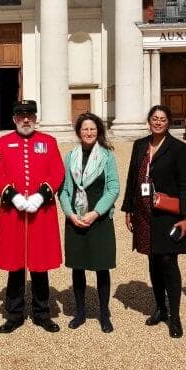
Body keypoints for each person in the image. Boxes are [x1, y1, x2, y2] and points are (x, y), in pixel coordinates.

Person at [0, 99, 65, 334]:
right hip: (14, 213)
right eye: (21, 115)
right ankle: (14, 314)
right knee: (15, 266)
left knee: (40, 266)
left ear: (35, 118)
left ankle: (42, 313)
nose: (25, 119)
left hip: (40, 213)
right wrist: (12, 195)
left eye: (29, 115)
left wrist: (42, 194)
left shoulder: (48, 142)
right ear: (14, 119)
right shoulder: (3, 143)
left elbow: (58, 171)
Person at [121, 105, 186, 339]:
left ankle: (175, 316)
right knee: (153, 260)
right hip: (144, 212)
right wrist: (128, 209)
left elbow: (185, 184)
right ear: (149, 121)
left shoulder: (178, 148)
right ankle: (160, 308)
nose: (158, 122)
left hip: (168, 212)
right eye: (154, 118)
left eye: (162, 119)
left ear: (168, 122)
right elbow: (133, 178)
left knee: (168, 262)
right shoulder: (140, 145)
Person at [59, 112, 119, 333]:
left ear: (99, 131)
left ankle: (104, 313)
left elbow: (113, 188)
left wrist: (95, 212)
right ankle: (81, 312)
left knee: (102, 267)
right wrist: (70, 213)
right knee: (78, 267)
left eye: (93, 129)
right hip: (75, 218)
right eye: (85, 129)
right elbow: (64, 190)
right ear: (78, 132)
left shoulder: (107, 156)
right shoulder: (71, 156)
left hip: (99, 218)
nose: (89, 132)